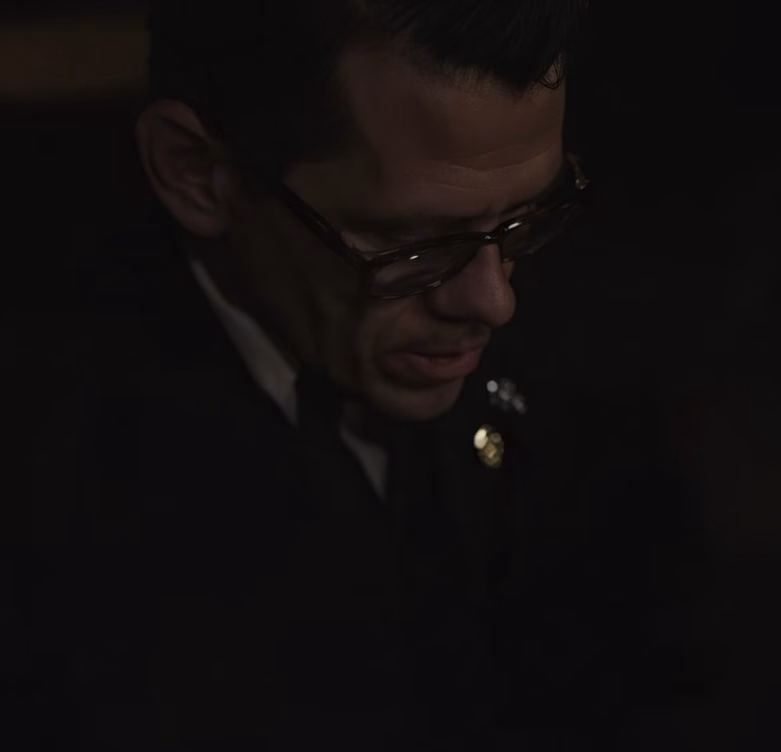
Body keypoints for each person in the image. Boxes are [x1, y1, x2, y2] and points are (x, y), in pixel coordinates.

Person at [0, 1, 712, 749]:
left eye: (527, 217)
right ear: (195, 172)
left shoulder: (606, 339)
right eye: (411, 244)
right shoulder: (46, 491)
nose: (494, 301)